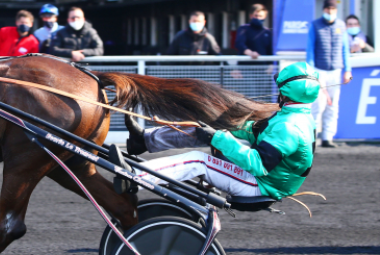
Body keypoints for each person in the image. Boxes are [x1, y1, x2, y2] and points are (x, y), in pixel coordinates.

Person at [124, 62, 319, 200]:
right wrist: (221, 127)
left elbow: (257, 164)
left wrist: (218, 137)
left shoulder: (290, 126)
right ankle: (144, 140)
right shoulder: (294, 116)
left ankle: (136, 177)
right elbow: (257, 133)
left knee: (198, 160)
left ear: (285, 93)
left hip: (261, 185)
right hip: (265, 178)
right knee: (207, 128)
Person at [306, 0, 352, 148]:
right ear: (323, 9)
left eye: (333, 9)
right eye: (328, 8)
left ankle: (327, 137)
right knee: (318, 105)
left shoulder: (341, 25)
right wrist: (312, 72)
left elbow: (345, 50)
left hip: (336, 71)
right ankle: (312, 138)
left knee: (333, 106)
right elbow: (310, 50)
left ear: (336, 10)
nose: (330, 11)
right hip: (319, 70)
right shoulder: (315, 25)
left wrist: (348, 69)